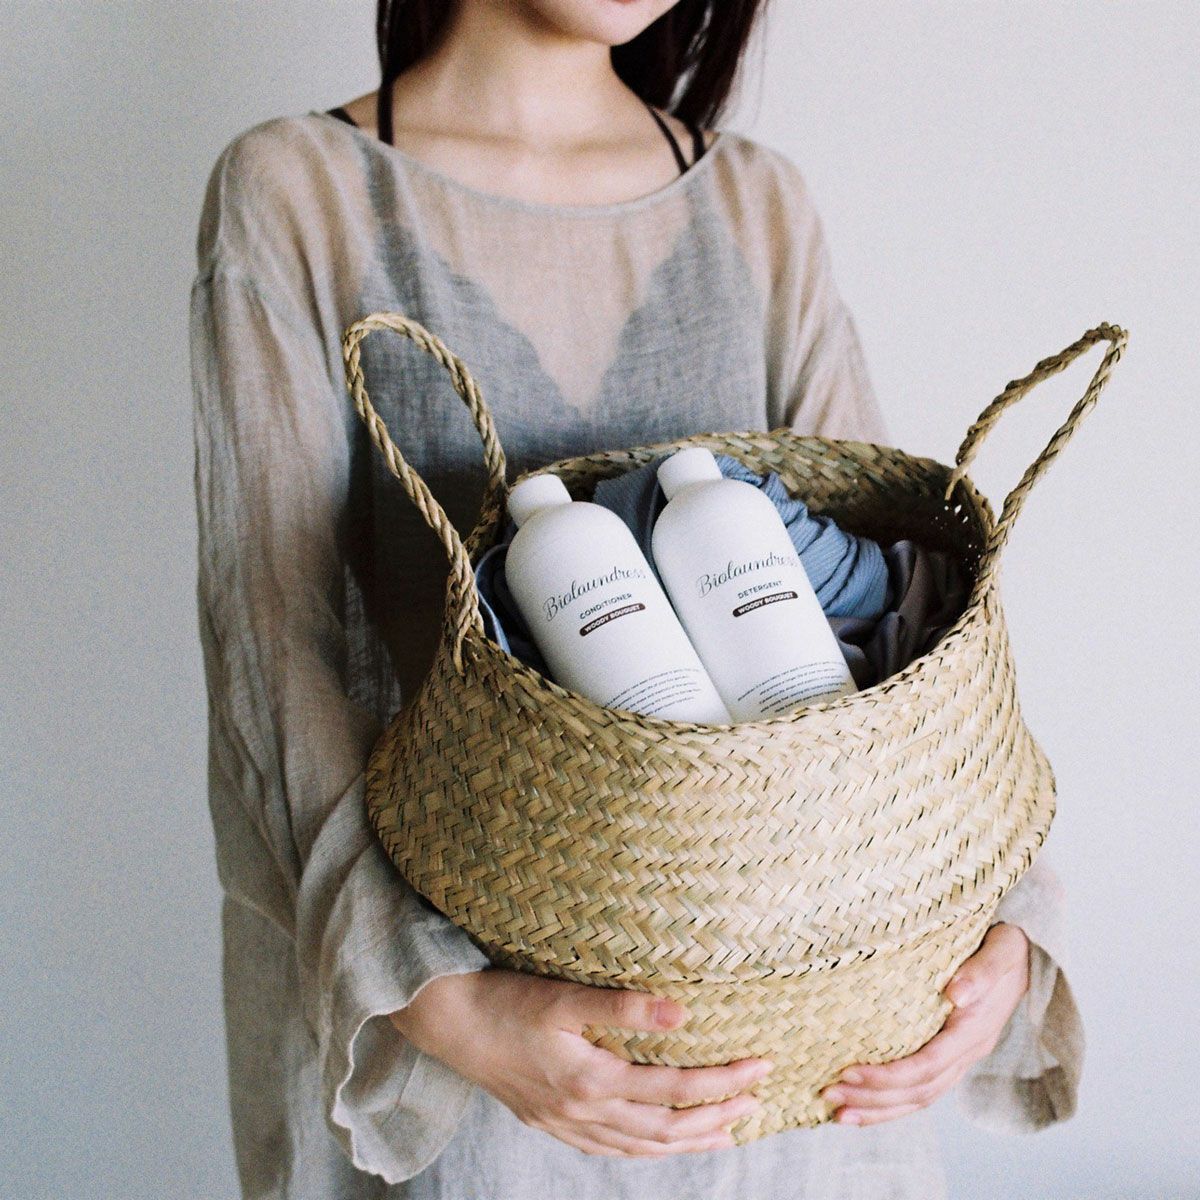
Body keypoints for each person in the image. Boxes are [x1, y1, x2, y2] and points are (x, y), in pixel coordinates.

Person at [189, 1, 1083, 1196]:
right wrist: (448, 1008)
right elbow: (273, 651)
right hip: (490, 1066)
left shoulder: (756, 204)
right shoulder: (298, 192)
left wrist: (1006, 928)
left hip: (809, 1047)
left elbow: (913, 628)